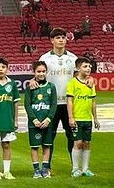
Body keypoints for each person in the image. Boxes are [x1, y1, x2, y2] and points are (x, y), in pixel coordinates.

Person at [29, 28, 80, 165]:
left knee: (72, 136)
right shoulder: (45, 58)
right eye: (58, 38)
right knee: (49, 135)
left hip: (69, 103)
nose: (61, 40)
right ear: (52, 40)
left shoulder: (73, 58)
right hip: (50, 104)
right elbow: (39, 75)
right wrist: (33, 80)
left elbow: (78, 78)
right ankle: (47, 166)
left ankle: (74, 166)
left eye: (63, 37)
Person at [66, 58, 99, 177]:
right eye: (85, 66)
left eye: (89, 66)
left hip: (87, 118)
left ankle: (85, 169)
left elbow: (93, 102)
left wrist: (95, 118)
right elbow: (69, 101)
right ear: (78, 68)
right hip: (77, 118)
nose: (88, 68)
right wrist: (71, 117)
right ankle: (75, 169)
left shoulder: (91, 83)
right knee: (78, 143)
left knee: (87, 143)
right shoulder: (72, 83)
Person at [24, 61, 57, 178]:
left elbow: (53, 105)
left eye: (43, 71)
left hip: (47, 123)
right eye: (38, 71)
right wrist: (34, 120)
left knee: (47, 146)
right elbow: (27, 105)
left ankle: (45, 169)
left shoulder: (51, 87)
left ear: (46, 72)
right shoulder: (30, 88)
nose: (41, 74)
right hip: (34, 124)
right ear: (34, 73)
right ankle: (36, 170)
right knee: (35, 147)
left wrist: (48, 119)